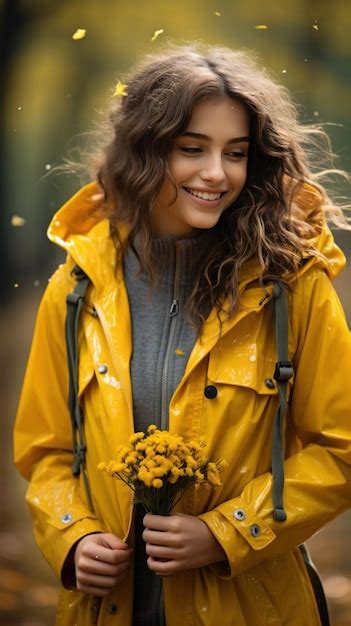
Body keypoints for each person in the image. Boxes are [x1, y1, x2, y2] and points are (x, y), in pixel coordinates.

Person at [14, 43, 351, 626]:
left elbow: (341, 449)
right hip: (104, 610)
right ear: (144, 152)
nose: (217, 173)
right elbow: (46, 451)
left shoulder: (292, 284)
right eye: (191, 149)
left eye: (236, 153)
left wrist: (227, 534)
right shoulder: (77, 286)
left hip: (251, 606)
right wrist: (71, 538)